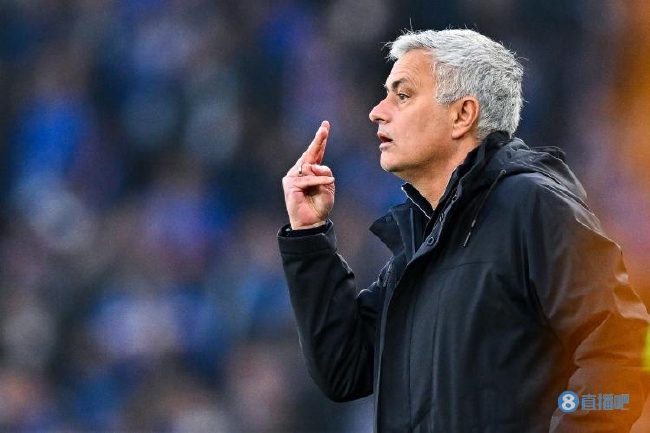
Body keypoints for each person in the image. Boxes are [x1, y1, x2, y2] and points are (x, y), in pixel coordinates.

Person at [277, 29, 650, 432]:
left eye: (403, 95)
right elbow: (344, 369)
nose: (377, 111)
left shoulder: (534, 206)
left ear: (462, 115)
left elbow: (625, 351)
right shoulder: (421, 241)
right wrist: (309, 235)